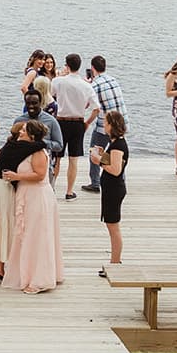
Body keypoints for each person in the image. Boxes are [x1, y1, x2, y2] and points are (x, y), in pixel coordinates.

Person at [2, 118, 64, 294]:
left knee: (37, 236)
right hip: (27, 194)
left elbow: (40, 174)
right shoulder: (28, 149)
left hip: (38, 196)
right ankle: (27, 272)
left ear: (32, 135)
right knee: (27, 234)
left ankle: (39, 279)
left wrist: (16, 177)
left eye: (24, 131)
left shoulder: (38, 152)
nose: (20, 132)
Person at [0, 113, 44, 283]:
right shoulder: (22, 146)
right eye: (22, 131)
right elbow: (41, 145)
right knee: (4, 226)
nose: (22, 133)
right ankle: (0, 267)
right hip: (2, 188)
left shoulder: (10, 146)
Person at [51, 53, 100, 200]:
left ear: (67, 65)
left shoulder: (58, 81)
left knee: (57, 158)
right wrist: (87, 123)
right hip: (78, 122)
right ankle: (69, 191)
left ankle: (52, 187)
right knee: (73, 160)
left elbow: (50, 96)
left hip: (60, 121)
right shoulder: (86, 85)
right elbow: (96, 108)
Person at [90, 109, 129, 274]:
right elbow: (112, 161)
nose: (103, 126)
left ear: (112, 125)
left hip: (114, 188)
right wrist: (102, 154)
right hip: (111, 188)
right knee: (111, 225)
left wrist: (98, 161)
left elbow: (115, 169)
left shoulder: (118, 145)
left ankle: (115, 262)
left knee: (113, 227)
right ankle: (114, 260)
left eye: (106, 123)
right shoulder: (115, 143)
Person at [84, 55, 124, 194]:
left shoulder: (95, 85)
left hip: (105, 125)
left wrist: (87, 122)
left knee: (94, 150)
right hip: (122, 122)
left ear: (93, 68)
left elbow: (89, 106)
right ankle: (120, 178)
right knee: (118, 152)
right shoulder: (113, 79)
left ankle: (95, 183)